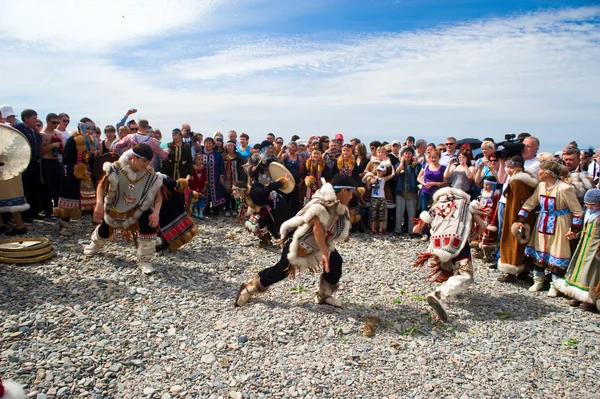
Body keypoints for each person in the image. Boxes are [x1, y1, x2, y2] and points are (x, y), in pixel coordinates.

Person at [235, 173, 357, 308]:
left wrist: (343, 234)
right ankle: (249, 288)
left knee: (336, 262)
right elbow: (317, 229)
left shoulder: (338, 205)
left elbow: (336, 224)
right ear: (344, 190)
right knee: (281, 270)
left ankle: (324, 294)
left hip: (318, 243)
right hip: (299, 243)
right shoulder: (322, 204)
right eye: (351, 192)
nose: (352, 196)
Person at [83, 144, 163, 274]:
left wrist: (156, 212)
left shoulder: (150, 173)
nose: (146, 164)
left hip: (139, 207)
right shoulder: (116, 169)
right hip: (117, 206)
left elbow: (158, 194)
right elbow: (101, 186)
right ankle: (94, 244)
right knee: (105, 229)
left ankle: (144, 260)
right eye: (143, 160)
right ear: (133, 157)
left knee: (149, 227)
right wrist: (98, 204)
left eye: (148, 161)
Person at [412, 187, 486, 321]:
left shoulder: (437, 206)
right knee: (466, 276)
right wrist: (474, 235)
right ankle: (440, 294)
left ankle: (449, 290)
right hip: (459, 245)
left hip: (437, 247)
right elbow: (482, 225)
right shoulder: (467, 206)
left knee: (449, 269)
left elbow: (417, 228)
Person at [514, 161, 583, 295]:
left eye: (540, 170)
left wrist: (574, 229)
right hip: (543, 222)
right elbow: (532, 202)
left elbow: (577, 211)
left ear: (547, 173)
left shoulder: (564, 188)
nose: (538, 173)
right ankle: (538, 281)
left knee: (557, 252)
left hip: (560, 224)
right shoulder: (541, 186)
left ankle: (555, 286)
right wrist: (521, 218)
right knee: (539, 249)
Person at [553, 189, 600, 311]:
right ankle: (576, 294)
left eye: (591, 203)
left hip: (595, 247)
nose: (588, 206)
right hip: (584, 243)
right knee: (578, 267)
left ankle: (589, 298)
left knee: (591, 271)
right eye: (587, 203)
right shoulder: (588, 213)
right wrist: (575, 233)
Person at [497, 157, 538, 282]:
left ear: (519, 168)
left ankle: (513, 272)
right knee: (521, 243)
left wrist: (516, 219)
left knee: (513, 242)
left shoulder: (517, 182)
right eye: (508, 167)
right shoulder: (521, 179)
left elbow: (517, 202)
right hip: (523, 215)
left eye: (511, 167)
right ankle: (522, 272)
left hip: (516, 216)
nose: (508, 170)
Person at [54, 118, 98, 235]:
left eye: (91, 128)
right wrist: (78, 169)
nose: (89, 130)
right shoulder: (72, 140)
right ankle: (65, 225)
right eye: (87, 127)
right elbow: (67, 159)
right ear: (80, 127)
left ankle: (96, 225)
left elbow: (89, 159)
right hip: (72, 175)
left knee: (90, 199)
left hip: (85, 173)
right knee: (70, 200)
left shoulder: (90, 141)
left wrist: (88, 171)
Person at [233, 175, 293, 247]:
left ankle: (287, 240)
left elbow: (268, 187)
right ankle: (267, 240)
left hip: (277, 203)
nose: (233, 192)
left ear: (241, 190)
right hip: (267, 206)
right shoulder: (246, 195)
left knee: (279, 223)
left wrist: (281, 182)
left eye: (235, 190)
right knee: (258, 221)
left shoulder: (255, 193)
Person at [0, 125, 30, 236]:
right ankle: (1, 225)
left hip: (8, 170)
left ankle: (20, 226)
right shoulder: (7, 130)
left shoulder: (7, 131)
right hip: (8, 169)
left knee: (12, 199)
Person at [39, 113, 64, 219]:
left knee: (58, 187)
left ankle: (58, 209)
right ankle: (48, 212)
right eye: (54, 122)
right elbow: (41, 150)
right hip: (46, 161)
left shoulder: (57, 134)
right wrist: (53, 145)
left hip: (55, 161)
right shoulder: (43, 134)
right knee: (47, 187)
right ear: (47, 121)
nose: (56, 125)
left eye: (58, 122)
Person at [471, 177, 501, 262]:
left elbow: (495, 209)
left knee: (487, 235)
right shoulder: (482, 193)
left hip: (489, 218)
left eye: (487, 185)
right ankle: (479, 251)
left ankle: (488, 254)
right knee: (479, 233)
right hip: (481, 216)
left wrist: (493, 222)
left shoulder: (495, 195)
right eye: (484, 184)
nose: (485, 186)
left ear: (493, 185)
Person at [394, 146, 421, 237]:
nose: (407, 155)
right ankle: (398, 229)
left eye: (409, 153)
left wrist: (416, 164)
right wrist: (401, 164)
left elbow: (418, 176)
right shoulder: (398, 165)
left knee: (411, 213)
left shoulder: (415, 165)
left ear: (412, 155)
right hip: (400, 192)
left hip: (412, 192)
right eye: (405, 153)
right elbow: (395, 176)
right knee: (399, 213)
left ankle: (411, 230)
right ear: (402, 155)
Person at [365, 164, 395, 235]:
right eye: (378, 170)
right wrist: (370, 181)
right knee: (373, 214)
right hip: (374, 197)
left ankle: (380, 229)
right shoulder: (373, 177)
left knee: (381, 214)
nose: (379, 172)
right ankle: (373, 228)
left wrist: (392, 166)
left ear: (384, 172)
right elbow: (368, 185)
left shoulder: (384, 179)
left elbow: (393, 174)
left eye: (381, 171)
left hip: (382, 198)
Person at [202, 137, 225, 214]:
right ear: (204, 144)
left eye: (210, 143)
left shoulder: (217, 154)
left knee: (216, 192)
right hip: (203, 178)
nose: (208, 145)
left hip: (215, 178)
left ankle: (216, 208)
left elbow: (221, 166)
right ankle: (206, 208)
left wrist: (221, 176)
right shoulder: (200, 154)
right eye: (206, 143)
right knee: (205, 192)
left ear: (213, 145)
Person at [222, 140, 244, 216]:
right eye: (228, 146)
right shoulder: (223, 156)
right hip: (226, 178)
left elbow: (242, 167)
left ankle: (234, 209)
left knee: (235, 193)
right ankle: (227, 209)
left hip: (236, 177)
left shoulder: (238, 156)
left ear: (234, 147)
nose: (229, 148)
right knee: (226, 194)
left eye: (231, 146)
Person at [190, 153, 207, 219]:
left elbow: (204, 176)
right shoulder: (192, 168)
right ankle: (196, 211)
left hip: (201, 184)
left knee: (201, 199)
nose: (200, 161)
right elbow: (190, 175)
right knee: (195, 198)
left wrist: (205, 184)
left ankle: (201, 212)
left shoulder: (203, 168)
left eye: (201, 159)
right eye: (198, 159)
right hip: (194, 184)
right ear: (195, 160)